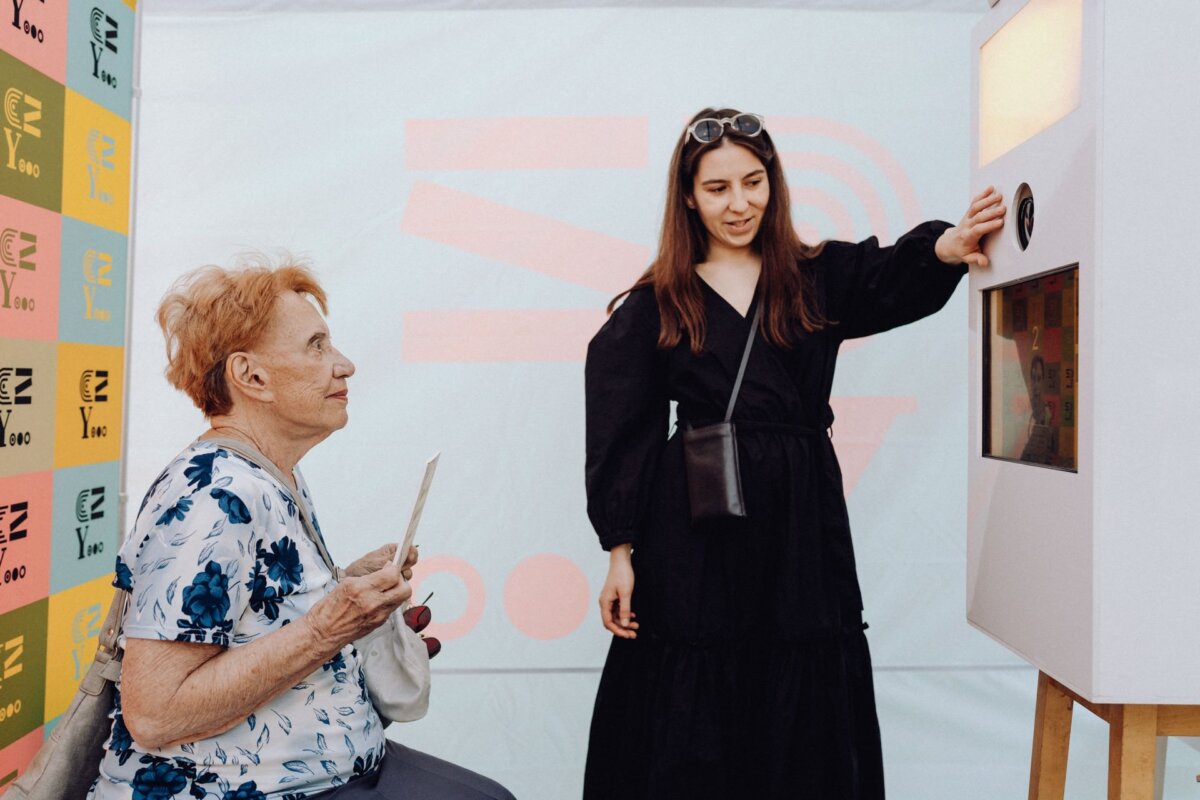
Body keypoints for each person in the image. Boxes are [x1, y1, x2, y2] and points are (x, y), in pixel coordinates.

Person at [583, 109, 1005, 799]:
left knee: (801, 678)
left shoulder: (816, 276)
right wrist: (619, 553)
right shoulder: (658, 302)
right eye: (717, 188)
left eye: (753, 182)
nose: (739, 203)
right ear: (688, 195)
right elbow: (618, 430)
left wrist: (947, 247)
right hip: (695, 533)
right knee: (695, 687)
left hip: (798, 529)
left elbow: (890, 273)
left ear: (773, 184)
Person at [90, 259, 515, 800]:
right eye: (316, 346)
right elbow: (155, 713)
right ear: (251, 377)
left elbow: (250, 619)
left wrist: (343, 592)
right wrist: (327, 627)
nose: (345, 365)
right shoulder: (213, 494)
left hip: (329, 772)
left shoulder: (267, 473)